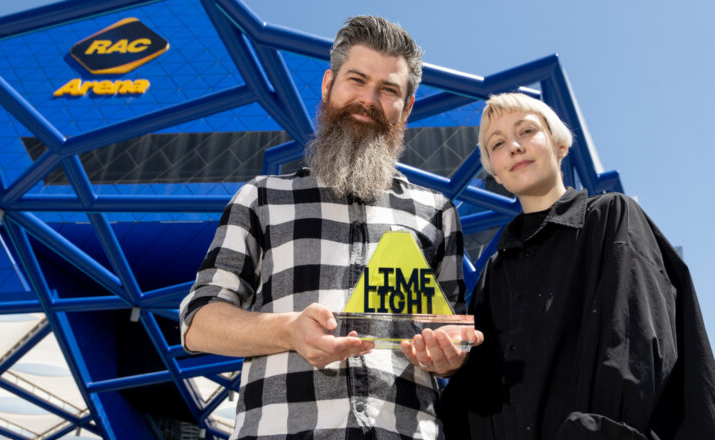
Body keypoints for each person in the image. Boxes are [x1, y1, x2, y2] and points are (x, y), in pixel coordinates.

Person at [180, 16, 482, 439]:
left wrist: (449, 355)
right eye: (356, 80)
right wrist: (288, 330)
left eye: (389, 90)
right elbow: (198, 324)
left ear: (407, 107)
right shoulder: (262, 197)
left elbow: (443, 335)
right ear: (328, 85)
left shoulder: (435, 211)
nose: (368, 100)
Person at [441, 92, 715, 439]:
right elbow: (476, 394)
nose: (513, 146)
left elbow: (635, 347)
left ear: (560, 145)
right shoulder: (493, 275)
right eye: (497, 144)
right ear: (494, 171)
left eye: (526, 131)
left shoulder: (612, 217)